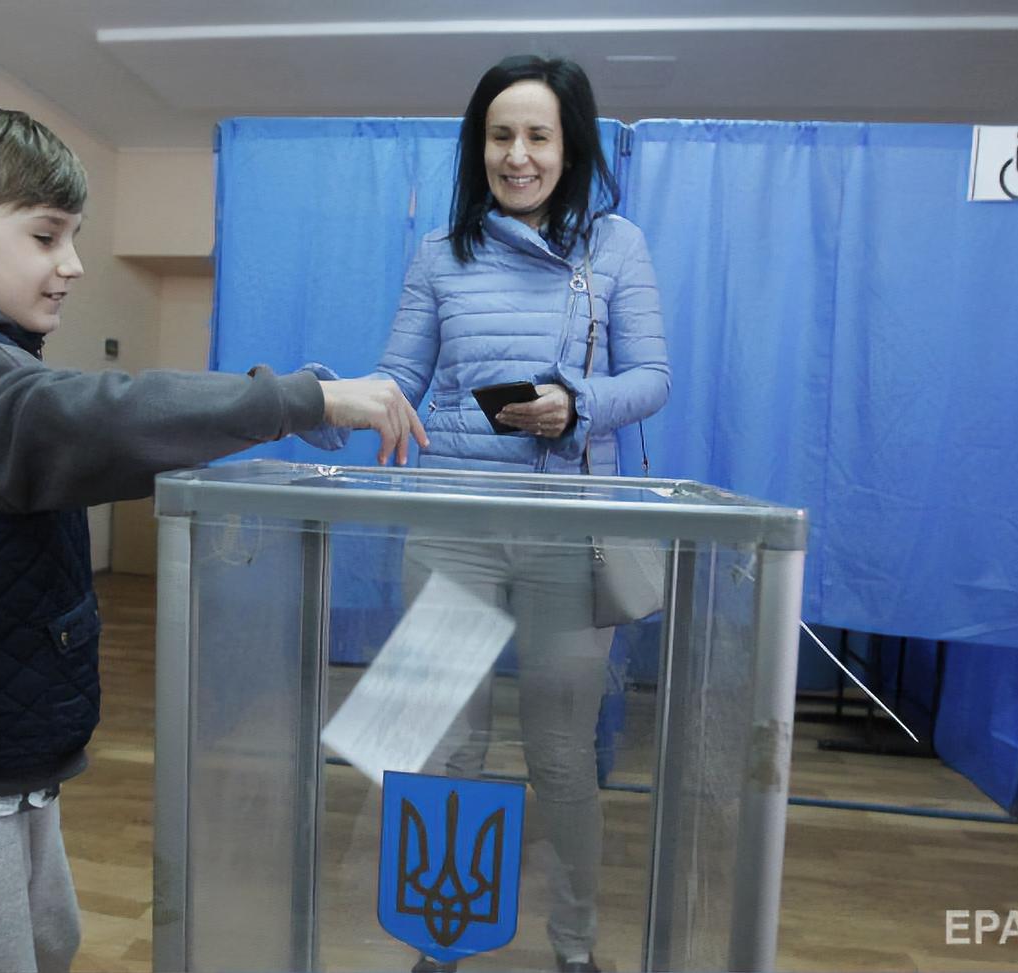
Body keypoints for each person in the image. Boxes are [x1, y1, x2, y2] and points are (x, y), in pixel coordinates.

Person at [0, 97, 425, 973]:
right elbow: (104, 415)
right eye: (46, 236)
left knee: (50, 940)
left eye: (73, 237)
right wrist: (302, 398)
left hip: (3, 743)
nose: (72, 264)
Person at [341, 56, 669, 971]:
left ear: (571, 146)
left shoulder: (616, 247)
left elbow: (653, 378)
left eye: (537, 136)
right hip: (456, 528)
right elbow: (399, 378)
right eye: (499, 136)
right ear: (477, 145)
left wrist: (577, 404)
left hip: (570, 532)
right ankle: (440, 940)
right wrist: (321, 398)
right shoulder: (439, 252)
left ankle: (574, 947)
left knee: (561, 755)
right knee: (449, 745)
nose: (516, 155)